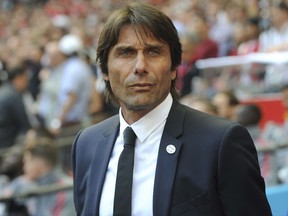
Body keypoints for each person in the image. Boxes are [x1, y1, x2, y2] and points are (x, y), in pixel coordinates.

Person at [72, 2, 272, 215]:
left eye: (153, 52)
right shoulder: (86, 144)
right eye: (126, 53)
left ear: (174, 67)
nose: (140, 66)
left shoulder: (220, 142)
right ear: (104, 70)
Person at [1, 136, 75, 216]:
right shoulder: (32, 184)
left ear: (37, 163)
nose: (24, 167)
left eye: (26, 162)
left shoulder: (64, 190)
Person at [0, 65, 32, 149]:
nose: (27, 82)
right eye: (25, 78)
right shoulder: (13, 96)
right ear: (19, 78)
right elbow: (25, 124)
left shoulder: (5, 90)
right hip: (6, 144)